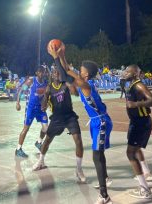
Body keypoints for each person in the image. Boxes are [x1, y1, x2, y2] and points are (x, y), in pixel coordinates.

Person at [49, 44, 113, 204]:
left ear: (86, 74)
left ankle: (104, 195)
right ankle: (104, 178)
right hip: (97, 121)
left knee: (96, 155)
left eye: (81, 69)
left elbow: (64, 75)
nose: (79, 69)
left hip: (101, 122)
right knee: (99, 154)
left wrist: (55, 57)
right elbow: (67, 70)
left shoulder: (85, 85)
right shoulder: (83, 82)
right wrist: (62, 55)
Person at [32, 67, 88, 185]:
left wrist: (71, 85)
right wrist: (43, 104)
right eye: (54, 73)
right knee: (47, 141)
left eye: (58, 72)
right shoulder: (49, 88)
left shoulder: (65, 84)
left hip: (69, 117)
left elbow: (76, 94)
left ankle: (79, 169)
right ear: (51, 75)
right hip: (56, 118)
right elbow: (44, 102)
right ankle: (41, 161)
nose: (56, 74)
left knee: (78, 141)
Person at [122, 65, 152, 199]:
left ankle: (145, 189)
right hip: (136, 122)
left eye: (127, 71)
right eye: (124, 70)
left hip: (141, 123)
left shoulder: (138, 85)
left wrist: (135, 105)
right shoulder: (129, 84)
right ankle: (147, 172)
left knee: (130, 152)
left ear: (136, 73)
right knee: (135, 149)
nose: (125, 72)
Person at [15, 66, 48, 158]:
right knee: (26, 128)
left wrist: (46, 104)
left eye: (43, 72)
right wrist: (18, 102)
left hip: (40, 109)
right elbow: (21, 90)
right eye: (40, 72)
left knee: (46, 128)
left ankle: (39, 142)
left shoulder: (45, 83)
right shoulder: (31, 81)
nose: (42, 73)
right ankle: (18, 149)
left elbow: (46, 95)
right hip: (31, 108)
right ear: (37, 73)